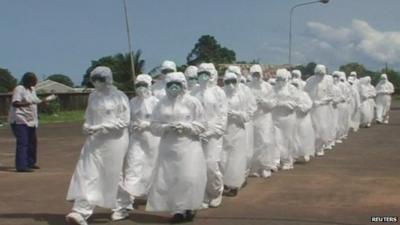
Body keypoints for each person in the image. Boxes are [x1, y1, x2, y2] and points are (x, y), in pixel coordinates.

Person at [66, 66, 130, 225]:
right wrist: (87, 126)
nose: (96, 83)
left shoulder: (120, 97)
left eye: (100, 79)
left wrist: (102, 127)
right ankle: (81, 211)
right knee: (88, 172)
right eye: (94, 80)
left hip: (114, 141)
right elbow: (89, 115)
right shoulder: (93, 96)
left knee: (113, 174)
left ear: (108, 79)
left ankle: (122, 205)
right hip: (95, 140)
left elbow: (124, 121)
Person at [146, 72, 207, 223]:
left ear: (183, 85)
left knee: (189, 177)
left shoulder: (192, 102)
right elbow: (153, 125)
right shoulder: (161, 103)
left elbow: (203, 124)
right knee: (171, 178)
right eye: (170, 84)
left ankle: (190, 206)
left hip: (189, 146)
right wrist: (166, 128)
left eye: (177, 84)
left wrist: (186, 127)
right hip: (169, 147)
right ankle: (178, 210)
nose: (174, 87)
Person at [111, 74, 160, 221]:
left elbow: (160, 121)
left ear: (149, 85)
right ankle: (124, 204)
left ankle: (153, 195)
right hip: (136, 139)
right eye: (138, 85)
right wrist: (134, 125)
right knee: (132, 168)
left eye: (144, 85)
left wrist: (148, 125)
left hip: (153, 140)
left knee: (153, 167)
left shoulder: (156, 102)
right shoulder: (132, 102)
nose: (141, 88)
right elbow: (127, 119)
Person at [190, 63, 228, 208]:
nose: (204, 76)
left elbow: (222, 116)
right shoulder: (193, 92)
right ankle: (203, 194)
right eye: (202, 73)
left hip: (213, 136)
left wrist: (212, 131)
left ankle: (216, 191)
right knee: (198, 166)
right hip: (197, 134)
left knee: (211, 165)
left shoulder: (219, 92)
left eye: (207, 73)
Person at [8, 72, 56, 172]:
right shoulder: (19, 89)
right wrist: (29, 103)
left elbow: (36, 101)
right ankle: (21, 166)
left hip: (31, 120)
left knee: (32, 143)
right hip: (20, 120)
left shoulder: (32, 90)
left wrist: (45, 101)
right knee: (23, 143)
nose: (35, 82)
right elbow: (15, 103)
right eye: (34, 80)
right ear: (27, 80)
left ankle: (30, 162)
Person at [221, 71, 249, 196]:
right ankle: (223, 182)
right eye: (228, 82)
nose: (231, 85)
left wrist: (237, 114)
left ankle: (234, 184)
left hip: (237, 130)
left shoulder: (242, 96)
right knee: (223, 158)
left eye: (233, 81)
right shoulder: (220, 94)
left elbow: (248, 113)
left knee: (235, 158)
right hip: (223, 131)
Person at [226, 65, 257, 178]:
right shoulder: (223, 90)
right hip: (228, 127)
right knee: (229, 153)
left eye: (236, 75)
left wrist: (242, 116)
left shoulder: (245, 90)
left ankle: (242, 176)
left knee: (246, 153)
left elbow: (252, 107)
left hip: (244, 125)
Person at [247, 65, 277, 177]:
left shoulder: (268, 87)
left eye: (257, 74)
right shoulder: (247, 87)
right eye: (253, 74)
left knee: (265, 141)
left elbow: (273, 103)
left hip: (264, 118)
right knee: (253, 143)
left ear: (261, 74)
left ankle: (265, 167)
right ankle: (254, 167)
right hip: (252, 119)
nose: (256, 77)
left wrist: (263, 102)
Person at [271, 69, 297, 170]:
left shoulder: (291, 89)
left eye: (282, 78)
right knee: (276, 139)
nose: (280, 81)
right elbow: (270, 100)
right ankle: (276, 161)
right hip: (276, 117)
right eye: (278, 78)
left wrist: (285, 104)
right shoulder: (274, 89)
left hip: (288, 118)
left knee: (287, 139)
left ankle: (287, 161)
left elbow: (295, 102)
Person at [304, 64, 333, 156]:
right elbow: (305, 93)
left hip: (323, 109)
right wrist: (309, 102)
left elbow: (330, 96)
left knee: (322, 128)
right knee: (311, 128)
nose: (319, 76)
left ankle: (320, 147)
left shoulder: (328, 81)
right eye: (318, 74)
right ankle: (311, 148)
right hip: (311, 108)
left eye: (322, 74)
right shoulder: (309, 81)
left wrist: (320, 102)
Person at [291, 79, 315, 162]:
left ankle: (306, 152)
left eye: (296, 85)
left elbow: (309, 105)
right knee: (294, 137)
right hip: (293, 119)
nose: (294, 87)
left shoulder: (304, 95)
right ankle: (294, 154)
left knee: (305, 136)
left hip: (303, 119)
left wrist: (300, 107)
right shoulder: (290, 95)